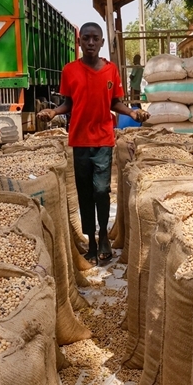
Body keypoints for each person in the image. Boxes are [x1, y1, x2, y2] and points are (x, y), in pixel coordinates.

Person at [37, 23, 148, 264]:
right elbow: (69, 103)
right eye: (85, 38)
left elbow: (115, 102)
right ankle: (92, 240)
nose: (89, 42)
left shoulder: (110, 71)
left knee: (101, 190)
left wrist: (133, 111)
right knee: (85, 192)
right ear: (79, 43)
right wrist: (53, 112)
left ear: (101, 43)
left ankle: (105, 236)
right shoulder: (70, 71)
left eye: (94, 38)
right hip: (79, 140)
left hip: (103, 140)